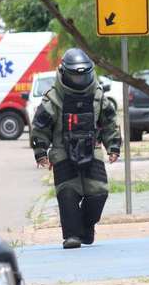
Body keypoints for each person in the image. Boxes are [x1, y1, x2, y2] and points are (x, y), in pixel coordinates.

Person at [30, 48, 121, 249]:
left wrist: (113, 145)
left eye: (83, 77)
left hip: (92, 146)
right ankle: (72, 236)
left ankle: (86, 228)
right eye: (75, 77)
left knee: (99, 192)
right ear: (64, 73)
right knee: (68, 192)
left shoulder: (97, 95)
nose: (79, 81)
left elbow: (109, 122)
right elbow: (40, 126)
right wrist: (40, 152)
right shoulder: (53, 98)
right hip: (62, 149)